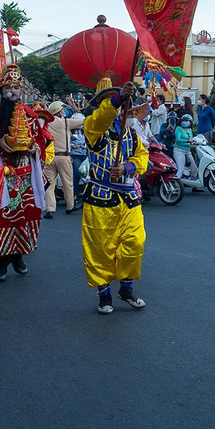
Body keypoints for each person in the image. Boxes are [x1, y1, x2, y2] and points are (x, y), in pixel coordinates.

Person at [0, 65, 50, 282]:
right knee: (0, 218)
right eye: (9, 87)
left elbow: (40, 142)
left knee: (24, 216)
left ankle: (18, 255)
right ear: (1, 89)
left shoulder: (30, 116)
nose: (13, 91)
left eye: (16, 87)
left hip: (23, 176)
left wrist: (34, 148)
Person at [80, 84, 150, 314]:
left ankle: (126, 287)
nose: (129, 114)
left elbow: (142, 156)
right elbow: (101, 118)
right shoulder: (93, 128)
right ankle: (104, 293)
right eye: (125, 108)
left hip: (128, 198)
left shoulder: (130, 134)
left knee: (134, 242)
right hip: (100, 198)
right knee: (101, 249)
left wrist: (129, 167)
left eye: (130, 109)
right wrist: (118, 97)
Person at [44, 101, 85, 218]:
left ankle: (50, 209)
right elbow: (83, 120)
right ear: (58, 111)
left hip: (49, 157)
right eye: (62, 109)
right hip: (64, 156)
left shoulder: (47, 123)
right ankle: (70, 206)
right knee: (68, 183)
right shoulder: (65, 122)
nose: (64, 111)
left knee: (50, 184)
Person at [173, 113, 196, 179]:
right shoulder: (178, 128)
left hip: (187, 150)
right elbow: (177, 140)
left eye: (187, 121)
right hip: (179, 150)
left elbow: (191, 139)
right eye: (184, 120)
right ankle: (175, 184)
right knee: (181, 169)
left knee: (194, 168)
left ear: (190, 122)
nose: (185, 122)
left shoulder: (190, 130)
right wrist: (187, 141)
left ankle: (194, 185)